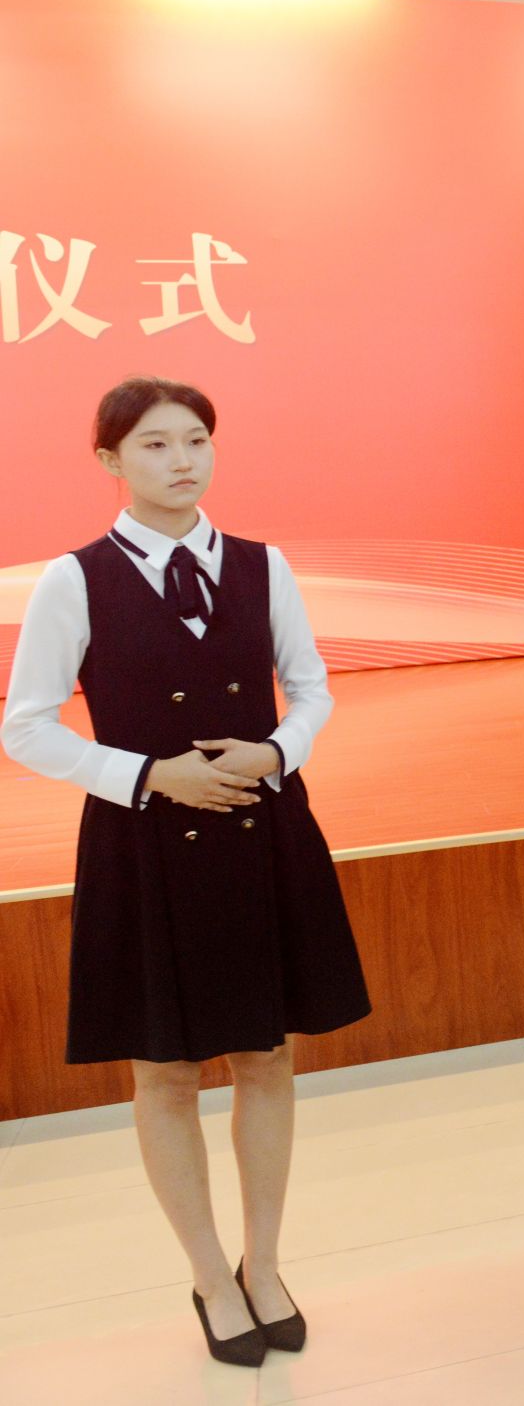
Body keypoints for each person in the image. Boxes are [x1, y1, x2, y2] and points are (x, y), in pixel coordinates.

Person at [2, 377, 370, 1369]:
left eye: (197, 439)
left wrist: (278, 750)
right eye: (156, 444)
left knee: (266, 1055)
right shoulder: (73, 580)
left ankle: (266, 1263)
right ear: (110, 461)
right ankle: (211, 1275)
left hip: (262, 830)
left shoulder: (261, 564)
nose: (182, 461)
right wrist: (149, 776)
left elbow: (313, 688)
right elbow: (24, 726)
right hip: (143, 845)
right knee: (163, 1071)